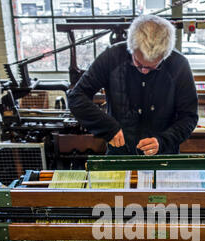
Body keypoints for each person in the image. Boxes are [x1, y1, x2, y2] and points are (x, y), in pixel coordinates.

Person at [67, 15, 198, 156]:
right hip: (120, 155)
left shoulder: (179, 65)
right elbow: (76, 97)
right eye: (139, 64)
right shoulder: (112, 57)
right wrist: (107, 127)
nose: (145, 71)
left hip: (164, 157)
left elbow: (189, 116)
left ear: (165, 55)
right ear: (131, 47)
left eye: (153, 67)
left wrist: (163, 141)